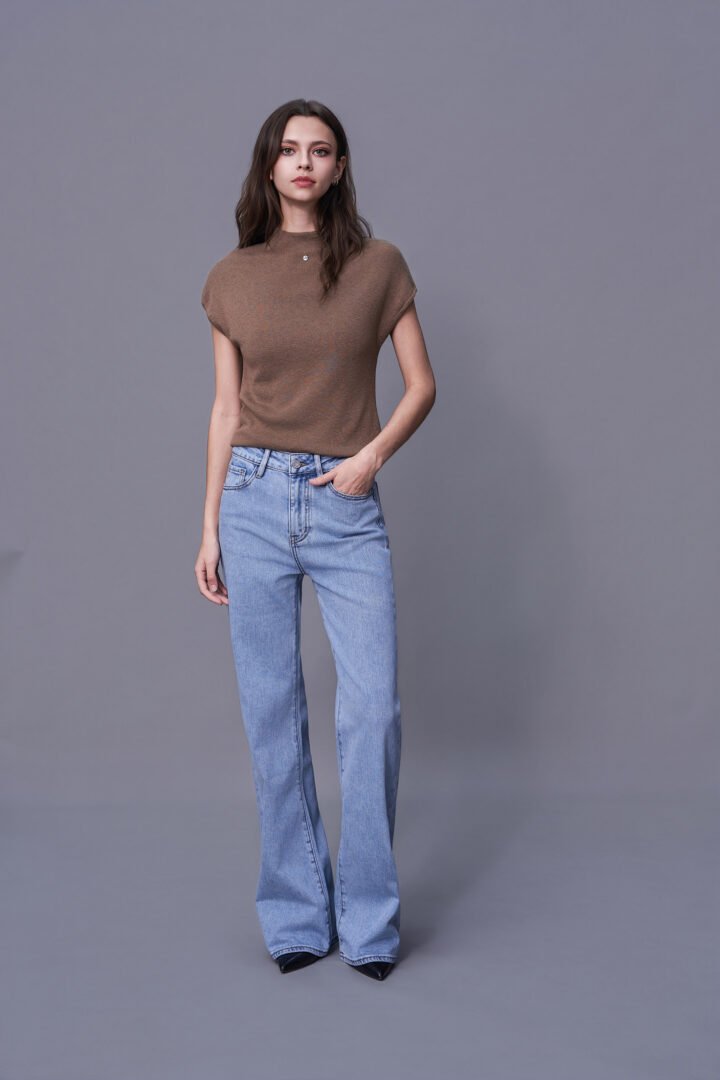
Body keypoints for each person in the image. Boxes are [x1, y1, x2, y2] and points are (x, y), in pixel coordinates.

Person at [195, 99, 436, 981]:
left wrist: (370, 458)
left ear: (338, 168)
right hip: (252, 501)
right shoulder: (231, 278)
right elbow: (226, 410)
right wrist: (208, 525)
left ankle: (368, 923)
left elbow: (421, 384)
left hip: (345, 503)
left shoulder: (379, 265)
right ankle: (298, 916)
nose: (304, 162)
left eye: (321, 150)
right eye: (290, 149)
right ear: (270, 165)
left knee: (373, 711)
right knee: (272, 713)